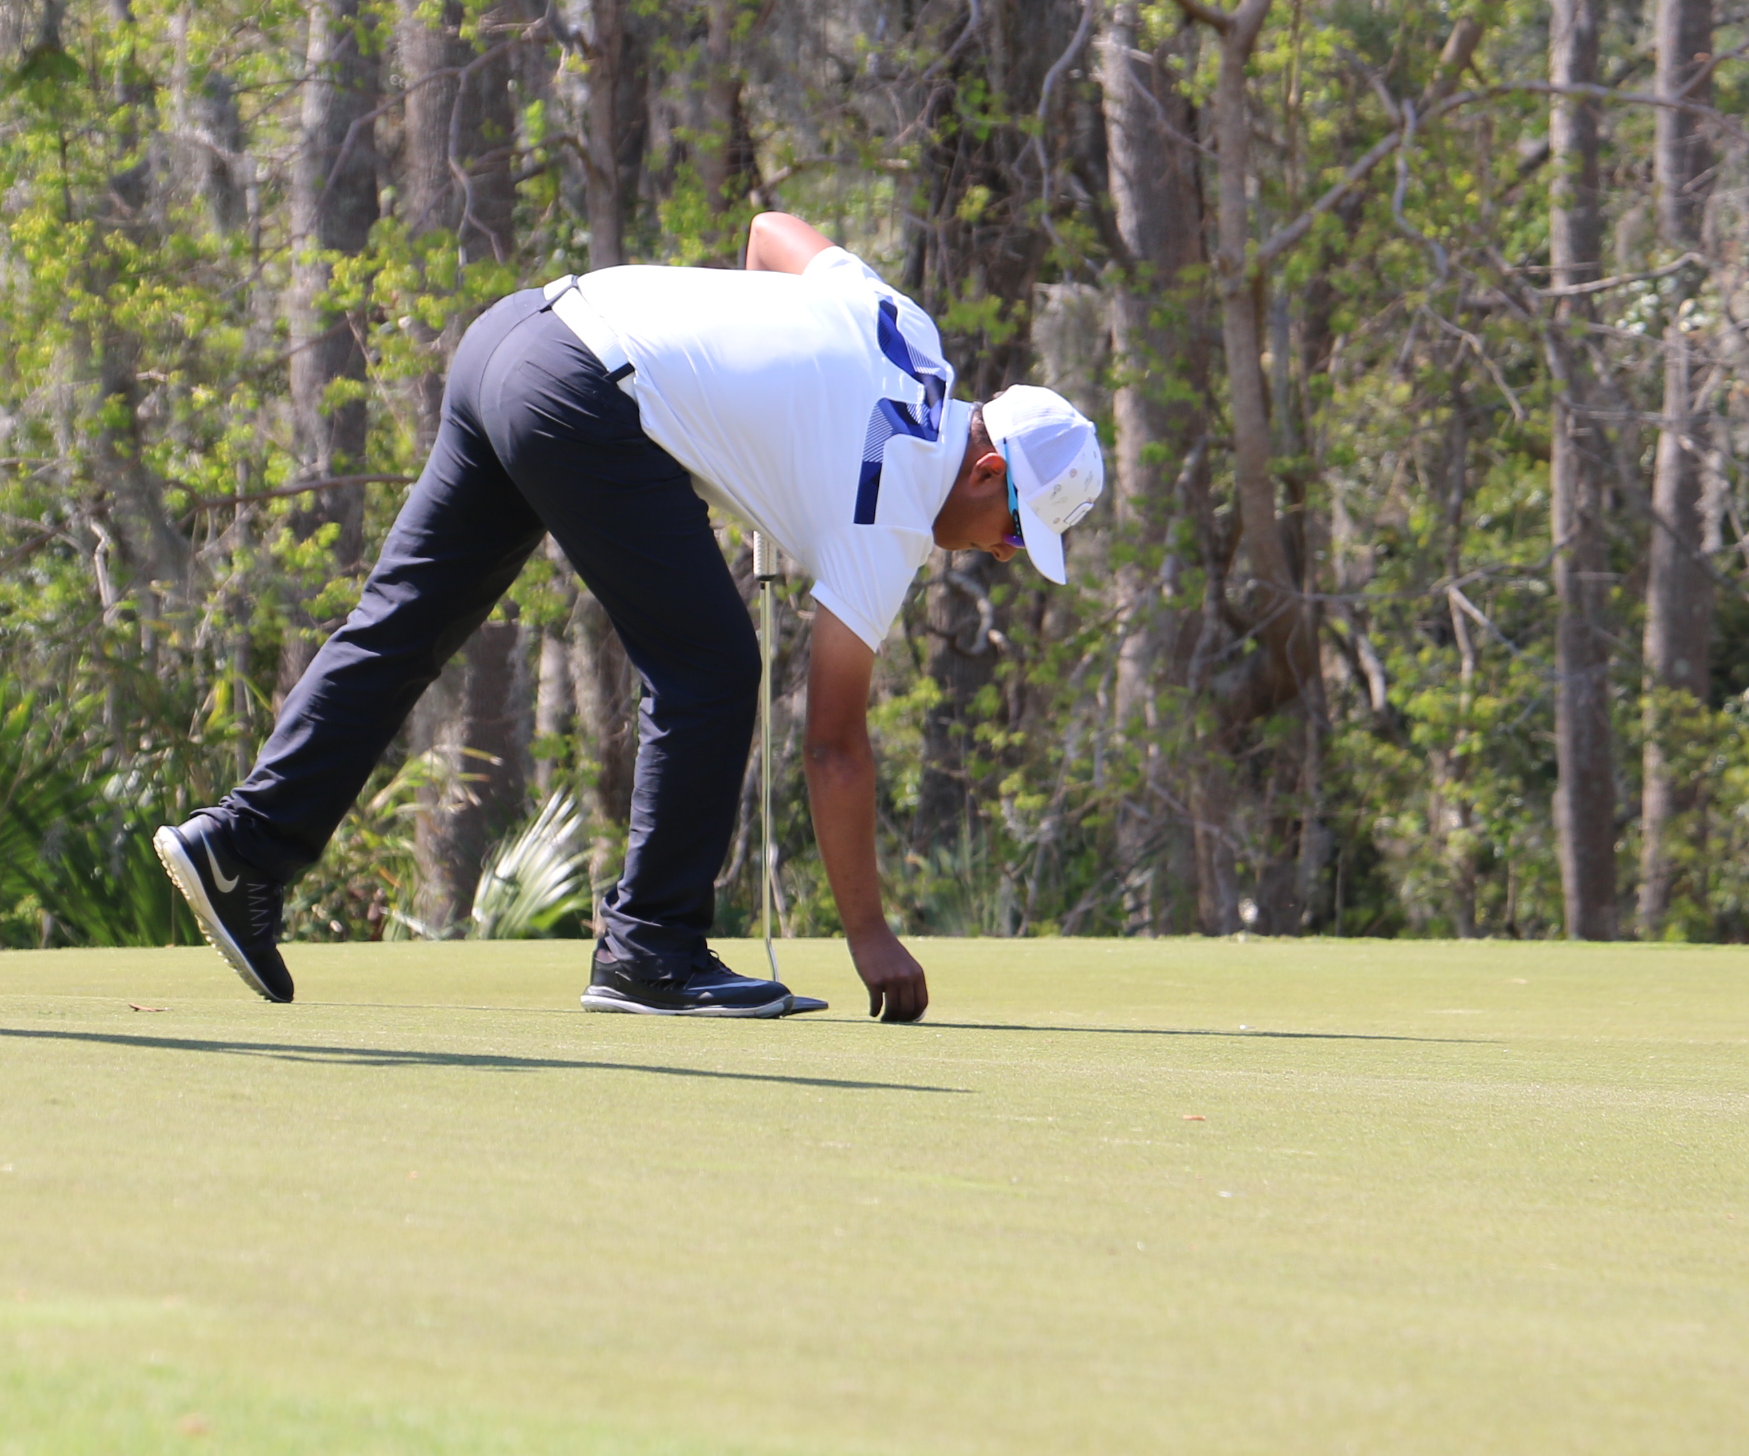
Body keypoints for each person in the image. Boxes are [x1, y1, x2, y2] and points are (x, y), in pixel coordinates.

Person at [157, 209, 1107, 1021]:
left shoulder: (911, 330)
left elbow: (770, 232)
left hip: (515, 335)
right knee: (713, 669)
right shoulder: (894, 508)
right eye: (1015, 531)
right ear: (987, 470)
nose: (1001, 553)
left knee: (401, 623)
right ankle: (650, 949)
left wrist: (756, 441)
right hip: (580, 394)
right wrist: (870, 937)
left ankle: (242, 847)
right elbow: (833, 746)